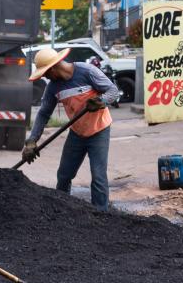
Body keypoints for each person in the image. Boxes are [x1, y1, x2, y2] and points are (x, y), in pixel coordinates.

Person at [23, 46, 121, 210]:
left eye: (46, 73)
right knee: (64, 174)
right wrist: (32, 140)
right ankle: (61, 210)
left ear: (54, 67)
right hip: (77, 132)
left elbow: (113, 91)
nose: (46, 77)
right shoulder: (53, 87)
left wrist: (101, 101)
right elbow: (43, 114)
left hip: (99, 129)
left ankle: (102, 214)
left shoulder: (86, 72)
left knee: (98, 176)